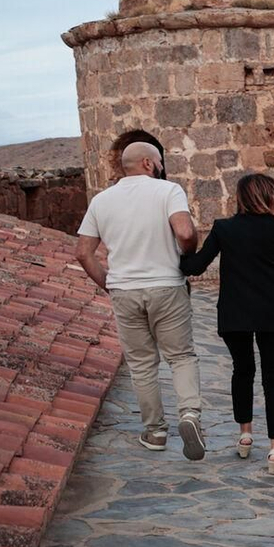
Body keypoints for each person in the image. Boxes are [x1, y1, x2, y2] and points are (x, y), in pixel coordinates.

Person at [180, 172, 274, 475]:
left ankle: (245, 435)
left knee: (242, 371)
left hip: (236, 313)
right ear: (267, 197)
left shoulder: (223, 229)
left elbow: (195, 266)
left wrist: (177, 248)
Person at [76, 141, 206, 458]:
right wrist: (188, 253)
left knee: (142, 364)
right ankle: (189, 415)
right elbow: (185, 233)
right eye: (159, 161)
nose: (162, 166)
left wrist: (110, 284)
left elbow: (83, 252)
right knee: (181, 357)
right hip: (166, 286)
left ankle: (155, 431)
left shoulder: (101, 201)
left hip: (124, 290)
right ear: (149, 164)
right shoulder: (167, 191)